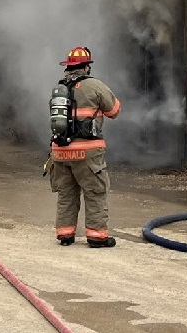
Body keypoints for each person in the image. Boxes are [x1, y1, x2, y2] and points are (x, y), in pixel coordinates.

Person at [47, 46, 121, 247]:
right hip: (86, 153)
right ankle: (97, 237)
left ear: (68, 67)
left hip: (60, 152)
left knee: (66, 194)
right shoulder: (95, 85)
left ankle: (65, 235)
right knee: (95, 192)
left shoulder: (59, 89)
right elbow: (114, 111)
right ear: (87, 67)